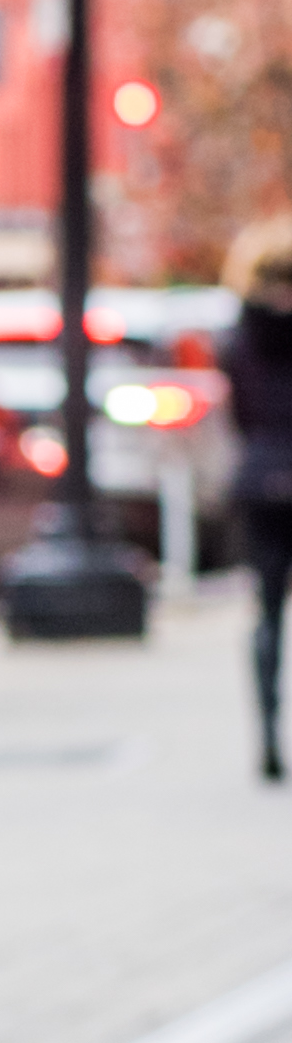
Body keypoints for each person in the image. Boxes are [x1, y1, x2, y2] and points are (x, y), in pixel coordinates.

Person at [230, 222, 292, 784]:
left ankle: (269, 736)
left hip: (261, 480)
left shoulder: (241, 336)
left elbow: (241, 417)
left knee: (268, 615)